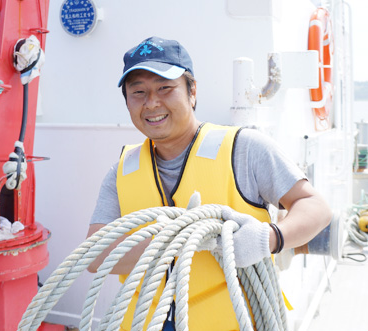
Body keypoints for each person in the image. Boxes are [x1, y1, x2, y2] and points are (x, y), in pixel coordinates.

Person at [87, 36, 332, 330]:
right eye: (138, 92)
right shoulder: (121, 172)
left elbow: (315, 206)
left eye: (165, 88)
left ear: (192, 92)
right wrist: (181, 240)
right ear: (127, 101)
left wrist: (269, 238)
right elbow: (96, 256)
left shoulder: (245, 149)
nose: (151, 103)